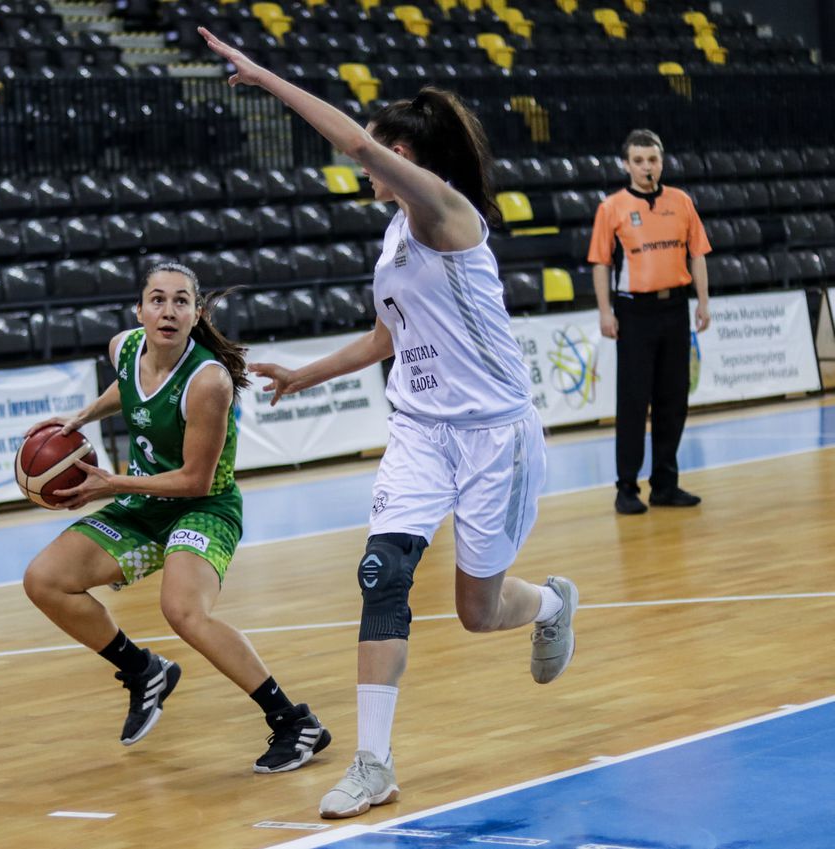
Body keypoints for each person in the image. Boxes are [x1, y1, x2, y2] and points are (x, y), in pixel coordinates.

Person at [199, 28, 579, 819]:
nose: (362, 166)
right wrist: (304, 373)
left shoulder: (444, 212)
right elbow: (386, 338)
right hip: (420, 432)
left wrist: (266, 77)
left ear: (402, 154)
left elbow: (351, 141)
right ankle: (374, 763)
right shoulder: (396, 233)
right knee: (382, 573)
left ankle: (550, 604)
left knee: (477, 611)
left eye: (375, 155)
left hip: (494, 436)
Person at [22, 261, 331, 774]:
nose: (168, 310)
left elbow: (195, 482)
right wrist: (82, 416)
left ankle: (294, 722)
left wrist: (111, 483)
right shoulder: (124, 348)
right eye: (158, 299)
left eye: (181, 301)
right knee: (44, 580)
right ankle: (143, 670)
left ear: (197, 313)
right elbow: (130, 387)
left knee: (184, 611)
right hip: (144, 505)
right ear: (139, 311)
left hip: (204, 508)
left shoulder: (208, 382)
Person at [588, 129, 712, 515]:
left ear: (662, 162)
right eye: (639, 160)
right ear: (626, 165)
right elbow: (601, 263)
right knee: (633, 400)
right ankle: (626, 486)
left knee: (673, 399)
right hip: (634, 313)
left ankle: (665, 484)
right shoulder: (612, 207)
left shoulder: (681, 201)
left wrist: (703, 302)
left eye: (653, 160)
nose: (647, 167)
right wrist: (605, 311)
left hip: (675, 308)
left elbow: (697, 254)